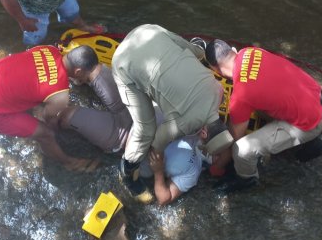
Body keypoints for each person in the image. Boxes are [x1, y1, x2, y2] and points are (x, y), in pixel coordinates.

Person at [56, 49, 210, 205]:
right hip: (136, 108)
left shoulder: (192, 169)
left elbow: (163, 199)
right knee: (91, 67)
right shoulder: (201, 119)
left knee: (65, 116)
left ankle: (127, 175)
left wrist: (158, 171)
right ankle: (80, 77)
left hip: (122, 136)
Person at [111, 24, 233, 198]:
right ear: (204, 132)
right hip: (124, 64)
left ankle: (199, 47)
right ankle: (127, 171)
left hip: (147, 32)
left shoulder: (218, 90)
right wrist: (157, 165)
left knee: (190, 50)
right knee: (145, 129)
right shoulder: (185, 123)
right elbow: (158, 141)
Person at [205, 39, 322, 191]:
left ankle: (247, 180)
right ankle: (307, 142)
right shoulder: (251, 52)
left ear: (216, 69)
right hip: (318, 98)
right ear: (233, 50)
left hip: (310, 124)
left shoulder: (241, 96)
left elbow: (235, 138)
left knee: (242, 150)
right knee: (261, 105)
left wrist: (219, 165)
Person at [0, 44, 101, 172]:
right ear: (78, 72)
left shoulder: (48, 49)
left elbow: (37, 77)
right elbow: (49, 120)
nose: (87, 79)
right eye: (87, 76)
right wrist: (58, 128)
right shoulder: (60, 96)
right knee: (46, 134)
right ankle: (69, 163)